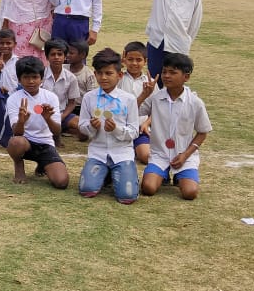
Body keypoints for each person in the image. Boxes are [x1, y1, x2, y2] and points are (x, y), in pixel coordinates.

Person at [140, 53, 212, 200]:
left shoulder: (195, 102)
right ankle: (163, 174)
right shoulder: (155, 97)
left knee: (190, 193)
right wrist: (144, 95)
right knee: (148, 188)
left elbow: (202, 132)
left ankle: (179, 176)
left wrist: (185, 155)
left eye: (173, 72)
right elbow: (131, 112)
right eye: (164, 71)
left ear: (186, 77)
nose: (167, 76)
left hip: (184, 155)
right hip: (160, 155)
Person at [76, 48, 140, 204]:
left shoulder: (129, 99)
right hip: (98, 152)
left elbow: (134, 131)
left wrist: (116, 129)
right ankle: (106, 174)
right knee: (87, 189)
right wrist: (92, 127)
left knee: (127, 197)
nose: (103, 77)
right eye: (99, 73)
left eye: (109, 73)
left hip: (122, 152)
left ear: (119, 75)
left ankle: (121, 173)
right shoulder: (89, 98)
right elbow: (82, 126)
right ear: (95, 74)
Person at [4, 57, 68, 189]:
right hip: (25, 143)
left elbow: (57, 131)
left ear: (42, 78)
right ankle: (19, 165)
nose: (31, 81)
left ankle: (42, 164)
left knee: (61, 182)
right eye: (26, 77)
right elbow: (16, 133)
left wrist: (48, 118)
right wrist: (21, 121)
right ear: (19, 79)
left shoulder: (51, 97)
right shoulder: (13, 99)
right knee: (15, 142)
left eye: (35, 77)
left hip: (46, 144)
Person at [117, 41, 157, 164]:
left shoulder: (151, 83)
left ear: (145, 61)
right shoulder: (118, 79)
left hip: (141, 128)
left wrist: (147, 123)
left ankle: (137, 147)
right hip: (120, 127)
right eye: (130, 59)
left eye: (138, 60)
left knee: (146, 156)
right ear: (124, 59)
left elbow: (158, 109)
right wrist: (143, 96)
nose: (134, 63)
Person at [41, 39, 81, 145]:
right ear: (47, 57)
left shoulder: (71, 78)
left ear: (65, 56)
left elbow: (72, 103)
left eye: (60, 54)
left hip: (62, 114)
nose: (56, 57)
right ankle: (54, 132)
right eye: (52, 54)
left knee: (82, 129)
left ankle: (60, 129)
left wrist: (61, 117)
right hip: (41, 114)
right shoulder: (40, 75)